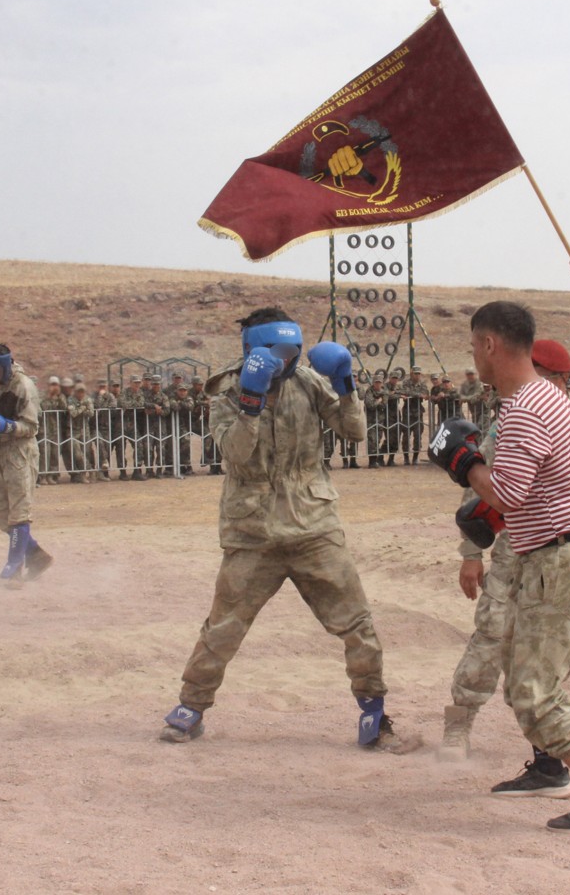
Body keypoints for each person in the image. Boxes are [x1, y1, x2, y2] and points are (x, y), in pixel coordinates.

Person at [429, 301, 570, 834]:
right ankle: (550, 768)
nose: (473, 357)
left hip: (559, 559)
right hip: (552, 553)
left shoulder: (525, 409)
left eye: (474, 345)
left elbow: (507, 496)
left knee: (533, 689)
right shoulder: (545, 398)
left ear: (490, 345)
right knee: (526, 671)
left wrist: (465, 462)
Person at [159, 308, 402, 751]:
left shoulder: (309, 382)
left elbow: (355, 433)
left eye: (292, 350)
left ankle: (375, 713)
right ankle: (191, 707)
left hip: (314, 526)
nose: (286, 359)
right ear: (254, 349)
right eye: (277, 350)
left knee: (356, 623)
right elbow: (235, 456)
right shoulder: (227, 391)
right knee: (223, 626)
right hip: (253, 532)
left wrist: (346, 385)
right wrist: (251, 403)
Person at [0, 344, 54, 584]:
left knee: (19, 511)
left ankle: (15, 569)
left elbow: (31, 427)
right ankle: (36, 555)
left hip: (20, 450)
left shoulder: (23, 386)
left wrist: (6, 426)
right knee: (1, 513)